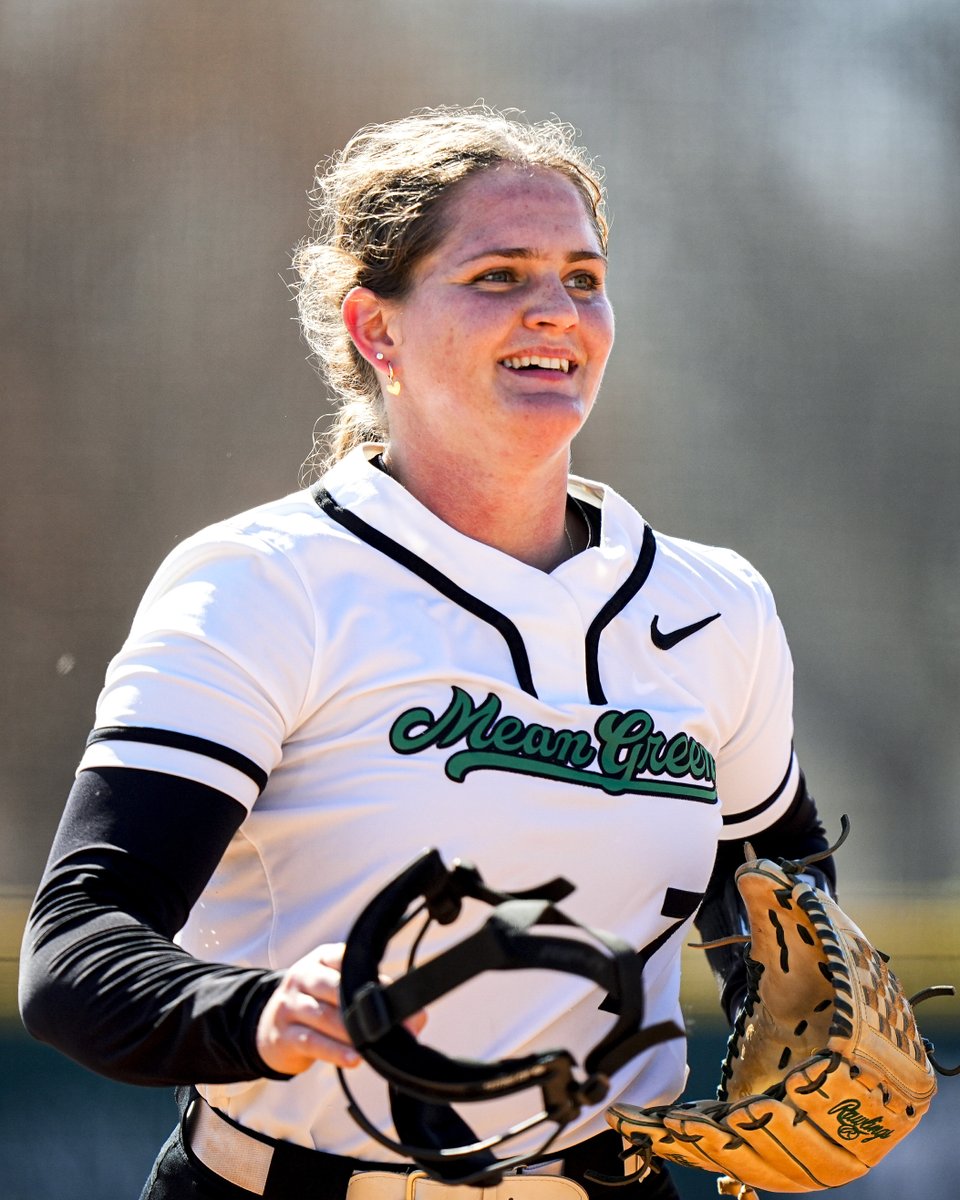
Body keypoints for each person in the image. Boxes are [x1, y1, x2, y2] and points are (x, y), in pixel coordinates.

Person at [19, 105, 837, 1200]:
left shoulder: (710, 605)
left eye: (584, 278)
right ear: (376, 330)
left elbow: (773, 883)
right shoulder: (271, 582)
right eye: (499, 275)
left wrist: (797, 1013)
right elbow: (77, 949)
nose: (557, 309)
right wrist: (254, 1012)